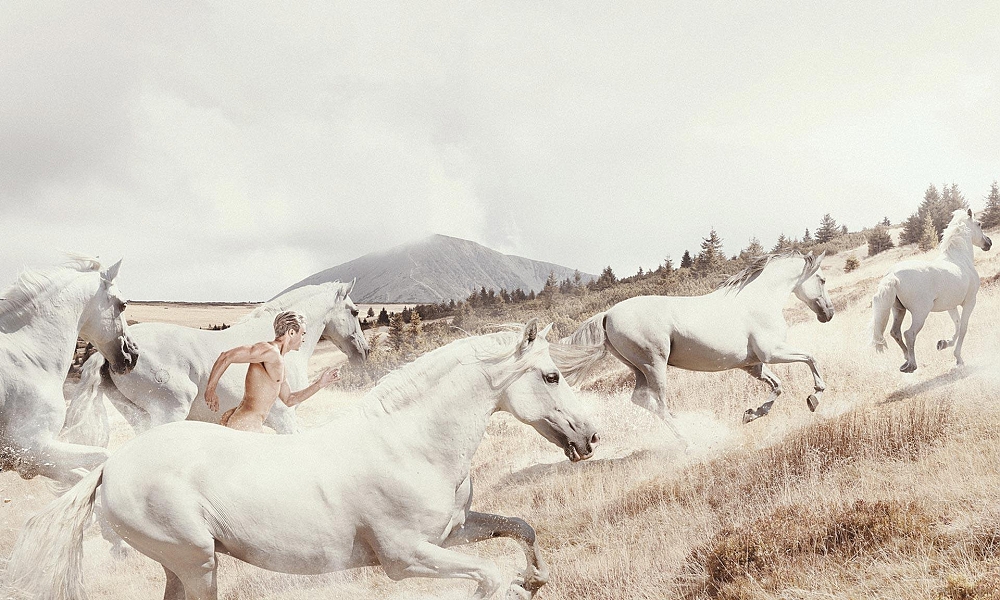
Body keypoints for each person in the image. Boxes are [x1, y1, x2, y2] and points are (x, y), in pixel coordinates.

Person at [204, 310, 340, 432]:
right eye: (302, 334)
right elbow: (226, 356)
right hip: (246, 424)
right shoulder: (270, 351)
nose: (303, 339)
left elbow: (289, 399)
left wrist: (320, 384)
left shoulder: (278, 361)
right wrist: (210, 389)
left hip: (244, 421)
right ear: (291, 332)